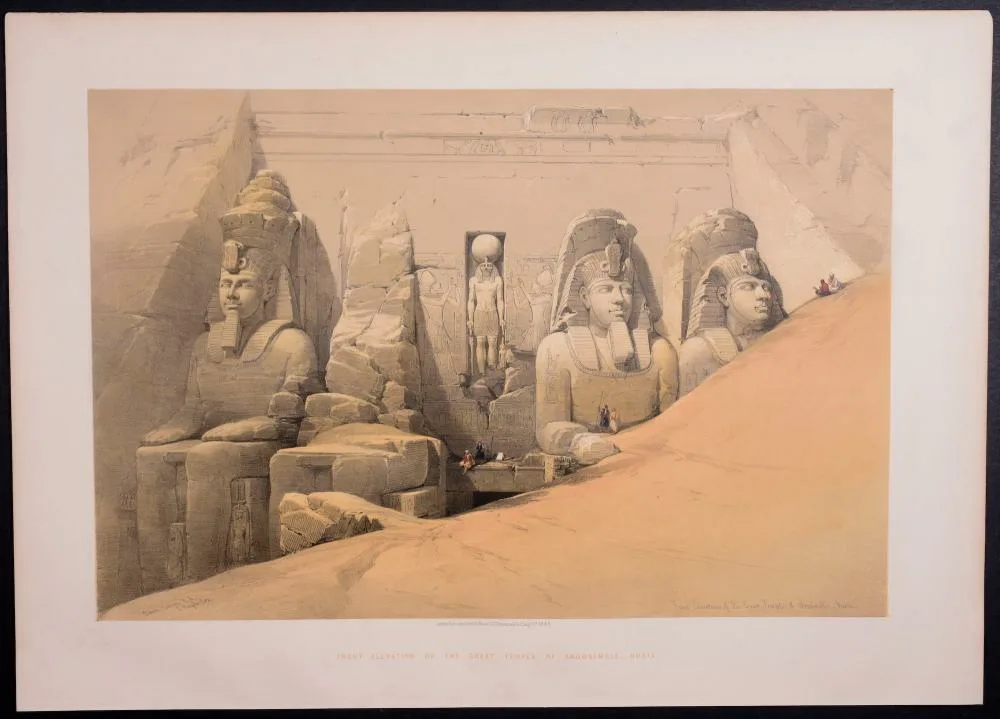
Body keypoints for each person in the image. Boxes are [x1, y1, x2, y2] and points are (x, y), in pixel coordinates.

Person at [136, 171, 320, 588]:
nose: (231, 294)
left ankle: (204, 582)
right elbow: (193, 410)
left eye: (244, 283)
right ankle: (154, 583)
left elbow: (289, 422)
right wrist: (175, 428)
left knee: (206, 458)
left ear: (269, 289)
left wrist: (246, 427)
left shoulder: (293, 343)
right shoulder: (204, 346)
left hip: (266, 444)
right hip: (221, 437)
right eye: (226, 283)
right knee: (150, 458)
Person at [535, 209, 679, 466]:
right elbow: (548, 426)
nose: (619, 299)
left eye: (626, 290)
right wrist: (578, 441)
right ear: (584, 297)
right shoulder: (556, 349)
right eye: (606, 289)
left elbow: (675, 423)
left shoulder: (659, 352)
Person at [679, 247, 786, 396]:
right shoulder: (699, 351)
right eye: (748, 286)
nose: (764, 295)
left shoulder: (782, 342)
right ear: (723, 297)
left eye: (766, 287)